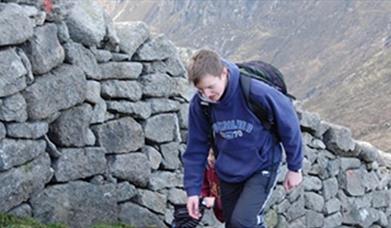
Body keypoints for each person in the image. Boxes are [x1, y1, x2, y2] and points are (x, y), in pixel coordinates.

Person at [182, 49, 303, 228]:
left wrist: (295, 167)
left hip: (262, 165)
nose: (207, 94)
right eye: (201, 89)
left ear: (224, 73)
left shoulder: (256, 92)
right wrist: (193, 191)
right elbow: (195, 149)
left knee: (243, 222)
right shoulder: (201, 105)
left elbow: (289, 125)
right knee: (233, 224)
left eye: (211, 87)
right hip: (229, 170)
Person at [201, 148, 224, 223]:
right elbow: (205, 185)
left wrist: (215, 202)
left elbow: (235, 199)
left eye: (213, 155)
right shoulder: (209, 170)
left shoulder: (230, 175)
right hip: (223, 215)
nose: (209, 158)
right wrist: (203, 196)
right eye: (208, 154)